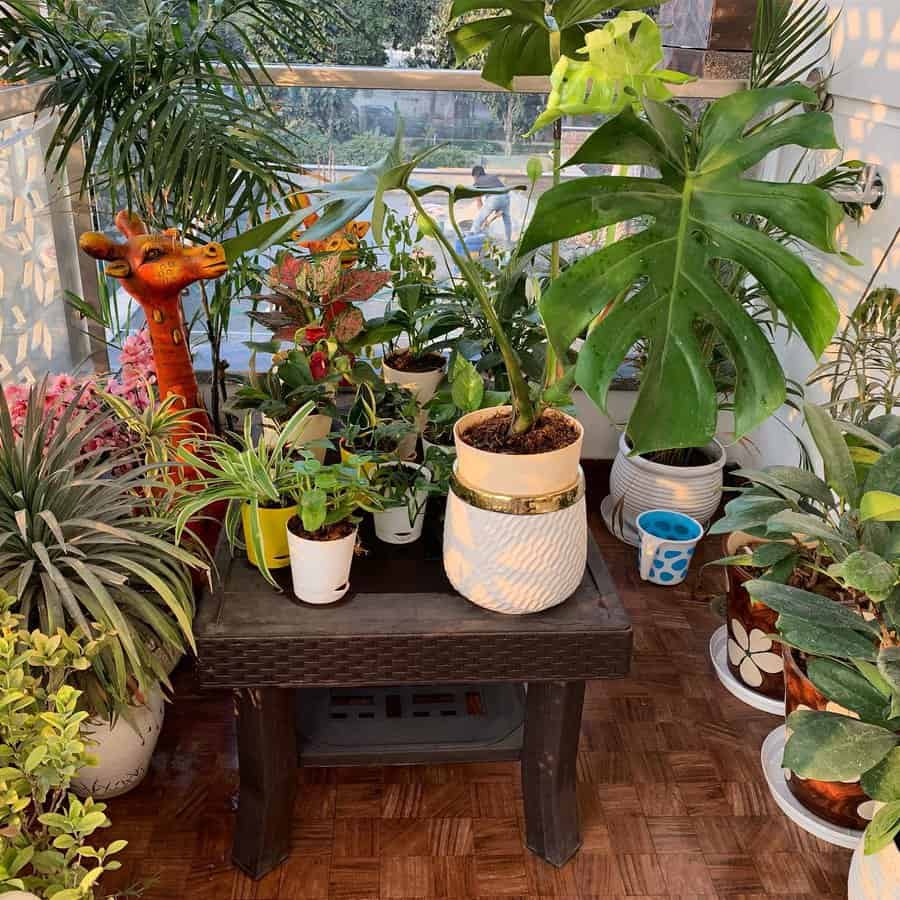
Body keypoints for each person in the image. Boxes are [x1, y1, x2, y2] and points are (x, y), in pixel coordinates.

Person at [469, 164, 512, 242]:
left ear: (475, 175)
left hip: (495, 198)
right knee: (507, 220)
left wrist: (484, 219)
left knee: (478, 219)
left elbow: (479, 203)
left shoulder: (477, 182)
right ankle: (508, 240)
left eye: (473, 178)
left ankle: (470, 237)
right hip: (506, 196)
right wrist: (498, 211)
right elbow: (499, 194)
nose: (474, 179)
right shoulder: (493, 177)